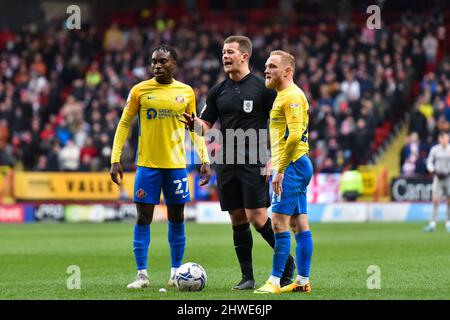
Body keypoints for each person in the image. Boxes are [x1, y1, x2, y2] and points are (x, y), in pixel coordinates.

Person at [182, 35, 295, 290]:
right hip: (226, 161)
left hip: (255, 160)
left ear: (244, 56)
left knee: (257, 217)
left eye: (230, 51)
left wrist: (272, 160)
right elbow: (206, 128)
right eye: (223, 51)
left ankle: (287, 266)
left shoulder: (262, 88)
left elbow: (279, 124)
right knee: (237, 219)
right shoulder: (217, 91)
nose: (225, 56)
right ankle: (247, 277)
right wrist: (194, 125)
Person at [110, 45, 211, 289]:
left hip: (176, 166)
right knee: (143, 218)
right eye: (154, 61)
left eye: (163, 61)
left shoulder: (186, 92)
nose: (157, 65)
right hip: (147, 165)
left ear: (173, 63)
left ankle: (175, 273)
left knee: (177, 217)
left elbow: (194, 128)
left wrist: (204, 159)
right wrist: (115, 158)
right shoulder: (140, 90)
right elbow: (124, 124)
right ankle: (142, 275)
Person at [254, 50, 314, 294]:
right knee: (299, 224)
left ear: (287, 71)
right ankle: (302, 281)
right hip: (295, 163)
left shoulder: (291, 96)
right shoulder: (283, 95)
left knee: (279, 224)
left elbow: (295, 135)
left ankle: (275, 281)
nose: (266, 70)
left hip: (292, 165)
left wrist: (280, 169)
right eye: (266, 65)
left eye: (272, 66)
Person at [424, 131, 450, 232]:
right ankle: (432, 224)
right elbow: (429, 161)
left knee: (449, 201)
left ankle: (448, 223)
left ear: (448, 139)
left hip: (448, 178)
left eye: (446, 138)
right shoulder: (435, 150)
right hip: (438, 178)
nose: (444, 140)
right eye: (442, 138)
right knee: (435, 201)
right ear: (439, 139)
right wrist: (433, 170)